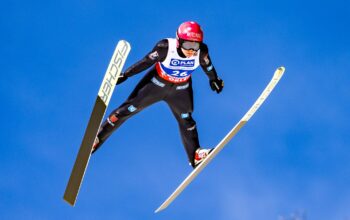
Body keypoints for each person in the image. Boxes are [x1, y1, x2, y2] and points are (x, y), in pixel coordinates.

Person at [92, 21, 224, 168]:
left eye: (196, 46)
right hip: (155, 85)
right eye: (188, 45)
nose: (192, 51)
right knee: (127, 110)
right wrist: (125, 75)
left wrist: (214, 79)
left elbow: (208, 65)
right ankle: (98, 137)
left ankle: (195, 155)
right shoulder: (165, 48)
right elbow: (145, 62)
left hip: (181, 90)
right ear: (179, 41)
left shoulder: (202, 51)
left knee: (186, 120)